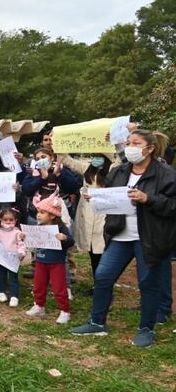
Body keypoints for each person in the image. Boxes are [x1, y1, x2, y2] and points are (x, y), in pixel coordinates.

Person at [72, 130, 176, 348]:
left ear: (150, 148)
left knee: (147, 283)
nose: (130, 147)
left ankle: (146, 328)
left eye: (136, 143)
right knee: (103, 276)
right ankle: (97, 322)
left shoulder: (166, 173)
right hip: (120, 235)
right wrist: (94, 197)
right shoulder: (119, 171)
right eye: (128, 142)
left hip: (149, 237)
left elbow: (172, 206)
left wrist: (148, 199)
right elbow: (110, 195)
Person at [57, 152, 115, 293]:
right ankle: (97, 285)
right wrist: (58, 143)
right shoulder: (88, 168)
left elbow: (120, 158)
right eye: (93, 156)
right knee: (93, 253)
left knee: (102, 252)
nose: (95, 159)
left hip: (104, 215)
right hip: (88, 215)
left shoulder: (113, 169)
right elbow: (68, 160)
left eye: (99, 156)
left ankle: (104, 287)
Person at [25, 197, 74, 324]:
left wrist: (64, 238)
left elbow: (71, 242)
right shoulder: (38, 227)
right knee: (38, 285)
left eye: (42, 212)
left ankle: (65, 311)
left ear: (52, 215)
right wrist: (24, 236)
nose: (38, 215)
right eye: (38, 212)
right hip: (40, 261)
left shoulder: (61, 228)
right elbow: (32, 242)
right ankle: (39, 306)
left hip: (56, 263)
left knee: (59, 288)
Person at [0, 208, 26, 307]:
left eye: (11, 220)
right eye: (5, 220)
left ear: (15, 220)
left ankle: (14, 296)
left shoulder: (18, 232)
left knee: (13, 278)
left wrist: (21, 253)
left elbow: (21, 244)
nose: (8, 222)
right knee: (1, 276)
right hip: (1, 259)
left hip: (13, 259)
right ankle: (1, 292)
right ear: (1, 220)